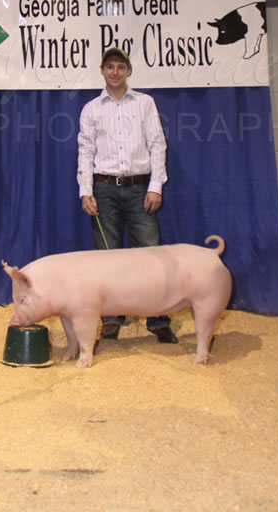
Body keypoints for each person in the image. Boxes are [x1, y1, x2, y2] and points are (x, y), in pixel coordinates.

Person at [77, 47, 177, 344]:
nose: (115, 72)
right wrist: (86, 191)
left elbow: (157, 144)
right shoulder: (91, 109)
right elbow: (86, 151)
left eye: (121, 67)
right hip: (103, 188)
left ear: (128, 71)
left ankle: (157, 319)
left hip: (138, 189)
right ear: (102, 70)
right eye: (110, 66)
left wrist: (155, 186)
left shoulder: (145, 103)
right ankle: (111, 317)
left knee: (150, 255)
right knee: (107, 258)